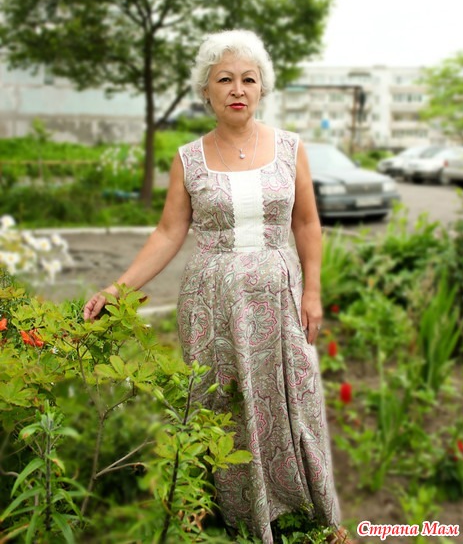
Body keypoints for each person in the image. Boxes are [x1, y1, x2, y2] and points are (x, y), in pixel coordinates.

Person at [84, 29, 354, 544]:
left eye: (248, 79)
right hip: (214, 307)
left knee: (292, 399)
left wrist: (313, 292)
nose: (237, 89)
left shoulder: (290, 148)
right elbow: (169, 233)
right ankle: (238, 519)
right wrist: (118, 289)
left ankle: (304, 511)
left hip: (279, 301)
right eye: (224, 79)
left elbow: (306, 223)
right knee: (223, 406)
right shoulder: (189, 158)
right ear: (205, 90)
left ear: (262, 88)